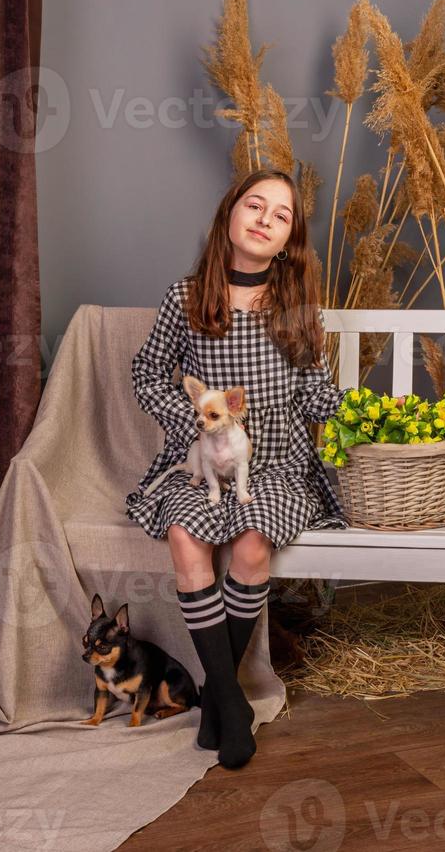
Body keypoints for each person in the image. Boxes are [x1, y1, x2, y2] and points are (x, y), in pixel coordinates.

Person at [125, 168, 350, 770]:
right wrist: (194, 421)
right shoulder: (187, 296)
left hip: (275, 459)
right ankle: (229, 700)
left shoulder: (295, 305)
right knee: (184, 529)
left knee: (253, 541)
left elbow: (313, 389)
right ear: (229, 213)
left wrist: (364, 415)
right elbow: (147, 373)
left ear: (287, 241)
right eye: (255, 205)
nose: (264, 220)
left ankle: (218, 704)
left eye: (281, 217)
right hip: (204, 462)